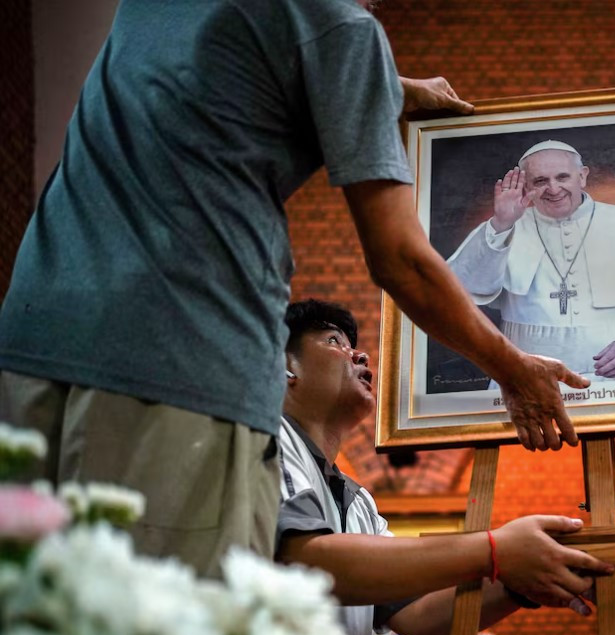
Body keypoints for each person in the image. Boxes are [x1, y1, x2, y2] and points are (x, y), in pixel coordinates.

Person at [0, 1, 583, 576]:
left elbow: (248, 63)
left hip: (34, 344)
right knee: (156, 630)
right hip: (176, 359)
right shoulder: (337, 26)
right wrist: (513, 370)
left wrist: (384, 83)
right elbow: (401, 259)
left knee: (35, 623)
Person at [276, 299, 610, 635]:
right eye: (333, 341)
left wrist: (522, 579)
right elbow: (306, 561)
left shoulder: (359, 503)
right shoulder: (272, 440)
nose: (360, 356)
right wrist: (496, 551)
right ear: (286, 367)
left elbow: (416, 613)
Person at [447, 140, 615, 383]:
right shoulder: (503, 227)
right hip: (530, 381)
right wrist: (501, 223)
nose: (553, 189)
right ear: (526, 185)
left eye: (562, 177)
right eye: (540, 180)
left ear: (582, 176)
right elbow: (462, 291)